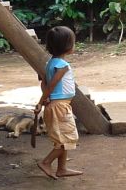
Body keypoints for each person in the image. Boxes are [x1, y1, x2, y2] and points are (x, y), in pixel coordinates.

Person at [35, 26, 81, 179]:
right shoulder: (62, 66)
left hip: (58, 105)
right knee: (67, 138)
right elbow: (51, 85)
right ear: (68, 46)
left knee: (64, 138)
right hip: (59, 106)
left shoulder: (52, 62)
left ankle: (62, 169)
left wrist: (44, 99)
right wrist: (41, 101)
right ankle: (46, 162)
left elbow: (43, 83)